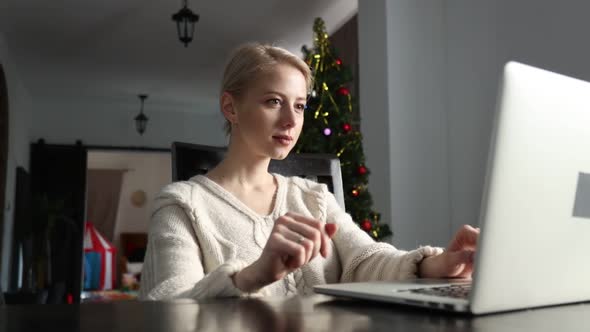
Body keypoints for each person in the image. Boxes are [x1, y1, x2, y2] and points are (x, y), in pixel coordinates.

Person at [138, 43, 479, 300]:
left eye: (299, 105)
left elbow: (364, 259)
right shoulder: (181, 205)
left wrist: (433, 265)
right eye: (273, 101)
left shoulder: (313, 197)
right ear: (231, 107)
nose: (291, 119)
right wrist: (252, 276)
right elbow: (167, 305)